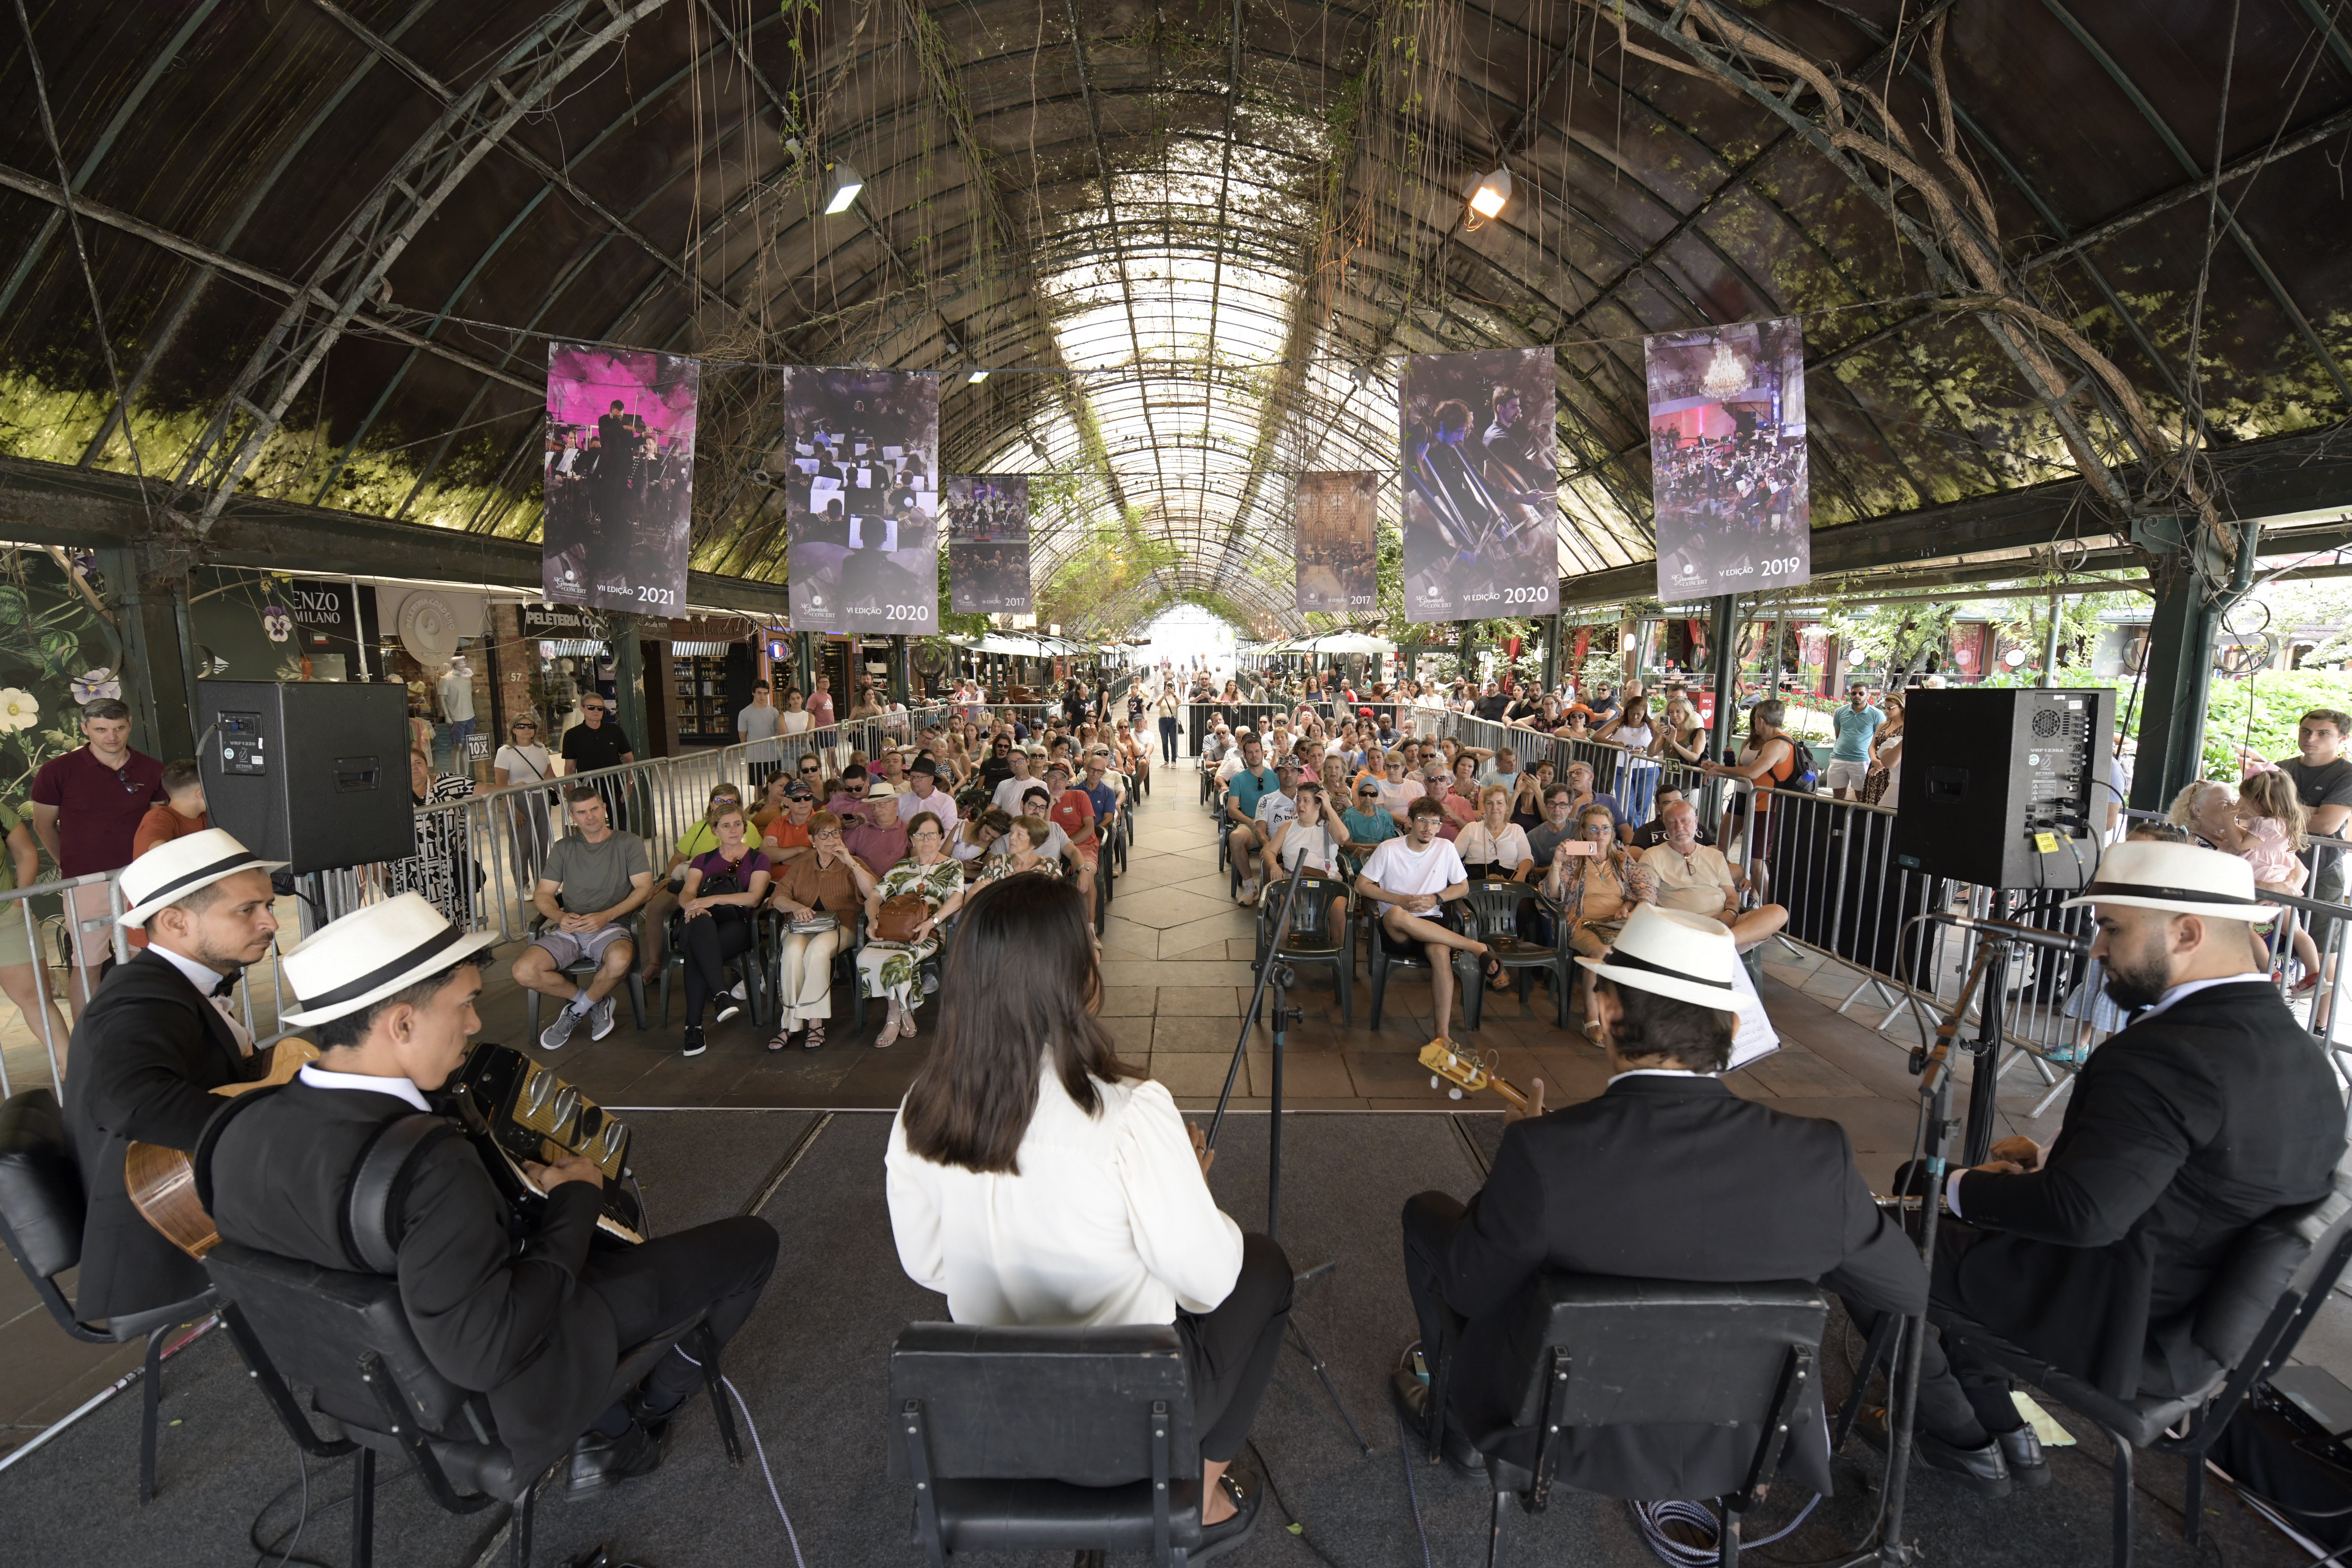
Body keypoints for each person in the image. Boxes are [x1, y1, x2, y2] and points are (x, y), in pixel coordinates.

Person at [205, 893, 779, 1496]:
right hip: (507, 1389)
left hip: (364, 1386)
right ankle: (633, 1425)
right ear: (402, 1022)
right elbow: (490, 1348)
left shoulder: (235, 1126)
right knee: (751, 1243)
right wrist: (575, 1200)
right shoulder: (425, 1162)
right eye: (466, 1004)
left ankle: (612, 1419)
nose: (477, 1024)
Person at [1847, 841, 2347, 1496]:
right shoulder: (2302, 1054)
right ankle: (2006, 1431)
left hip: (2115, 1316)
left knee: (1857, 1238)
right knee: (1935, 1209)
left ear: (2187, 931)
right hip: (2188, 1319)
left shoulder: (2163, 1054)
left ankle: (1957, 1437)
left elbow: (2081, 1216)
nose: (2096, 950)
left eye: (2111, 928)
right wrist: (2058, 1163)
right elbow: (2195, 1177)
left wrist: (1961, 1188)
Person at [1393, 904, 1927, 1499]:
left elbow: (1471, 1287)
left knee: (1429, 1214)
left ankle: (1462, 1430)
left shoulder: (1544, 1153)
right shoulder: (1816, 1156)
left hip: (1559, 1438)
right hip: (1745, 1445)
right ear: (1730, 1022)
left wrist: (1519, 1167)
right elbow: (1906, 1288)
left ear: (1604, 1010)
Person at [885, 876, 1291, 1557]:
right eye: (1093, 944)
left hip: (995, 1412)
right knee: (1265, 1267)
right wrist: (1187, 1186)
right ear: (1071, 976)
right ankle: (1207, 1497)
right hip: (1129, 1421)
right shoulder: (1129, 1112)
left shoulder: (921, 1107)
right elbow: (1207, 1282)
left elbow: (925, 1264)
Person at [60, 829, 284, 1319]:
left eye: (268, 905)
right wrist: (276, 1128)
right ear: (175, 921)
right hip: (168, 1232)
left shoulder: (169, 984)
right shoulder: (139, 998)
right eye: (247, 910)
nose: (271, 922)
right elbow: (129, 1100)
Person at [30, 697, 165, 1009]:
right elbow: (43, 825)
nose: (112, 737)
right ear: (84, 729)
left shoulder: (152, 769)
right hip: (86, 881)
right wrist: (72, 867)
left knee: (145, 959)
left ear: (130, 726)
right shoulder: (57, 771)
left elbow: (158, 825)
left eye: (119, 728)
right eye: (101, 729)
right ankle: (87, 1049)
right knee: (88, 963)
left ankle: (145, 1034)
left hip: (140, 879)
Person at [516, 786, 654, 1050]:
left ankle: (576, 1011)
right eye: (582, 812)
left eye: (594, 809)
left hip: (612, 926)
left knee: (621, 958)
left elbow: (645, 888)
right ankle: (593, 1002)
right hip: (570, 926)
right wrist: (559, 915)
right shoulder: (564, 848)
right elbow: (543, 893)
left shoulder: (628, 842)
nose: (590, 817)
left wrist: (607, 916)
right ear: (572, 816)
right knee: (523, 970)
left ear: (604, 809)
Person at [1353, 798, 1492, 1041]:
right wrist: (1399, 900)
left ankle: (1442, 1036)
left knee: (1440, 953)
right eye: (1423, 820)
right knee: (1397, 913)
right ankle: (1474, 946)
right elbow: (1361, 885)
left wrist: (1437, 898)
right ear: (1410, 822)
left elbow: (1462, 887)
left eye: (1435, 822)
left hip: (1432, 922)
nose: (1429, 827)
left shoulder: (1445, 848)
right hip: (1397, 928)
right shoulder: (1389, 848)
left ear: (1440, 826)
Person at [1544, 803, 1659, 1035]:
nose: (1600, 835)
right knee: (1601, 953)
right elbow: (1552, 894)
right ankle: (1591, 1018)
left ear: (1612, 832)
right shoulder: (1574, 857)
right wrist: (1557, 863)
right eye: (1594, 829)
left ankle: (1636, 1015)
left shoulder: (1622, 859)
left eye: (1606, 829)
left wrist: (1633, 910)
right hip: (1581, 922)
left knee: (1653, 950)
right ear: (1583, 831)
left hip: (1620, 924)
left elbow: (1647, 889)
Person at [767, 811, 877, 1051]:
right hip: (804, 926)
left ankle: (815, 1022)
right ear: (812, 840)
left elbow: (874, 893)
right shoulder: (802, 866)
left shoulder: (852, 862)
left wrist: (851, 862)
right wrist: (796, 907)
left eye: (836, 832)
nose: (831, 839)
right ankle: (790, 1022)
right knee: (792, 951)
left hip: (843, 925)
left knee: (818, 950)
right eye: (824, 834)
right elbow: (777, 898)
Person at [859, 811, 967, 1047]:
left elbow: (957, 899)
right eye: (920, 835)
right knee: (866, 955)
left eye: (932, 834)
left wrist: (932, 923)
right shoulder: (901, 867)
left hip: (931, 933)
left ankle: (894, 1016)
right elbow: (875, 896)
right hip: (897, 930)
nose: (926, 839)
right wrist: (872, 919)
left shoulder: (951, 866)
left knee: (897, 960)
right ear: (912, 839)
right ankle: (906, 1010)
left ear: (940, 837)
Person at [674, 803, 771, 1057]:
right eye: (726, 825)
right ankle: (720, 994)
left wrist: (713, 900)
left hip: (735, 925)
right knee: (700, 922)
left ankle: (694, 1027)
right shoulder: (703, 859)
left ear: (745, 826)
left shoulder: (757, 859)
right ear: (715, 830)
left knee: (697, 951)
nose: (733, 830)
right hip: (698, 921)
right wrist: (692, 906)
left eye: (738, 824)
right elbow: (687, 892)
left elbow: (753, 899)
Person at [1640, 799, 1788, 951]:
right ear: (1665, 825)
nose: (1680, 827)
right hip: (1681, 927)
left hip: (1722, 925)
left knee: (1778, 912)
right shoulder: (1652, 856)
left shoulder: (1715, 856)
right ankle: (1715, 947)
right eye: (1672, 822)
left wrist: (1730, 915)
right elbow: (1646, 897)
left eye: (1685, 821)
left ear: (1696, 822)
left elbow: (1731, 896)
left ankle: (1716, 944)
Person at [638, 783, 747, 984]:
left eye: (730, 801)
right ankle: (655, 963)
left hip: (722, 883)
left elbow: (749, 860)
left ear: (739, 805)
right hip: (689, 878)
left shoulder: (744, 828)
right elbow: (679, 857)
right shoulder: (699, 828)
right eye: (719, 801)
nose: (724, 805)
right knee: (655, 906)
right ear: (711, 804)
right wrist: (668, 877)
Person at [1704, 699, 1797, 899]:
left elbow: (1753, 772)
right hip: (1759, 803)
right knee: (1755, 861)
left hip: (1768, 806)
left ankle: (1771, 913)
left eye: (1755, 719)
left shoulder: (1778, 744)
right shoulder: (1775, 742)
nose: (1754, 723)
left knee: (1757, 863)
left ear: (1762, 721)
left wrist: (1719, 768)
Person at [2275, 708, 2352, 903]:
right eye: (2306, 731)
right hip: (2274, 867)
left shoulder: (2346, 774)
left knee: (2317, 933)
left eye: (2323, 733)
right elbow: (2250, 809)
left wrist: (2277, 809)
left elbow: (2327, 825)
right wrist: (2317, 811)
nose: (2311, 738)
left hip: (2321, 872)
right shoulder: (2281, 768)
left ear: (2343, 738)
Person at [492, 714, 558, 887]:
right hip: (519, 799)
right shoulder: (505, 752)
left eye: (530, 726)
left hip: (541, 797)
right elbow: (500, 785)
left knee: (541, 843)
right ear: (513, 729)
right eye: (521, 726)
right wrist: (513, 810)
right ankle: (522, 885)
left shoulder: (541, 748)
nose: (527, 729)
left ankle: (542, 883)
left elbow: (549, 775)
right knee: (522, 844)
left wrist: (567, 793)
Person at [558, 694, 636, 828]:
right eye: (591, 707)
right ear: (582, 709)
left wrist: (629, 784)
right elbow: (570, 768)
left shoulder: (615, 731)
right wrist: (572, 795)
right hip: (587, 790)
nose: (596, 711)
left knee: (620, 827)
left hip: (615, 788)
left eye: (600, 708)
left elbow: (629, 758)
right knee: (592, 827)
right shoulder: (572, 735)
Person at [1222, 736, 1279, 904]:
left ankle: (1270, 889)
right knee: (1236, 837)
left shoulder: (1276, 777)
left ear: (1263, 753)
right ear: (1245, 756)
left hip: (1274, 826)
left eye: (1257, 751)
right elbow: (1232, 810)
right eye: (1250, 753)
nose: (1254, 755)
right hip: (1251, 825)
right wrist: (1250, 822)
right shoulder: (1239, 779)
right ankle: (1249, 885)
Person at [1452, 784, 1534, 883]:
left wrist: (1521, 875)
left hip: (1509, 881)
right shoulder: (1471, 828)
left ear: (1507, 806)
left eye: (1500, 803)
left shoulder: (1517, 830)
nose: (1495, 807)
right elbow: (1453, 856)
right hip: (1475, 882)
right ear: (1484, 806)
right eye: (1490, 803)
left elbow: (1526, 858)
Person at [1824, 685, 1885, 800]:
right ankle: (1838, 817)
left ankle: (1859, 818)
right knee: (1838, 796)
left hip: (1861, 761)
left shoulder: (1877, 714)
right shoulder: (1840, 711)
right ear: (1850, 694)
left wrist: (1874, 759)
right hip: (1838, 758)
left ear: (1868, 695)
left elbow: (1879, 739)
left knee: (1861, 796)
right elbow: (1838, 734)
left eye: (1861, 693)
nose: (1857, 696)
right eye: (1854, 693)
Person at [846, 779, 911, 875]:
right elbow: (844, 854)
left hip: (896, 885)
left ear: (895, 804)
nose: (876, 810)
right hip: (863, 883)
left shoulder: (909, 830)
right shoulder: (861, 830)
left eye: (881, 805)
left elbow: (918, 862)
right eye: (872, 806)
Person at [1627, 783, 1716, 851]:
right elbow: (1635, 856)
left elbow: (1714, 853)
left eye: (1677, 802)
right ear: (1657, 805)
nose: (1674, 806)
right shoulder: (1646, 831)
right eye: (1667, 803)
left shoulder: (1698, 827)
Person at [903, 757, 959, 837]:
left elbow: (949, 833)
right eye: (911, 777)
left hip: (936, 847)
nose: (913, 781)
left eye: (918, 777)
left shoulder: (946, 801)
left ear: (931, 779)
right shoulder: (902, 800)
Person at [737, 679, 783, 777]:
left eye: (765, 694)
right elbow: (743, 737)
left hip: (773, 756)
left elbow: (776, 732)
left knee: (775, 785)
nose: (762, 696)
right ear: (753, 692)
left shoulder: (774, 712)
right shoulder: (744, 713)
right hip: (754, 757)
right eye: (759, 693)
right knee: (758, 788)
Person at [1157, 682, 1182, 765]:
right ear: (1165, 687)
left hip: (1173, 721)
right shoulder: (1161, 696)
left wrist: (1174, 694)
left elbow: (1179, 703)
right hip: (1163, 721)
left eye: (1171, 685)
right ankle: (1166, 760)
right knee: (1164, 741)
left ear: (1174, 687)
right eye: (1168, 685)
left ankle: (1174, 761)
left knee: (1173, 742)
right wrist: (1164, 696)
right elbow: (1158, 704)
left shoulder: (1176, 696)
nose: (1169, 687)